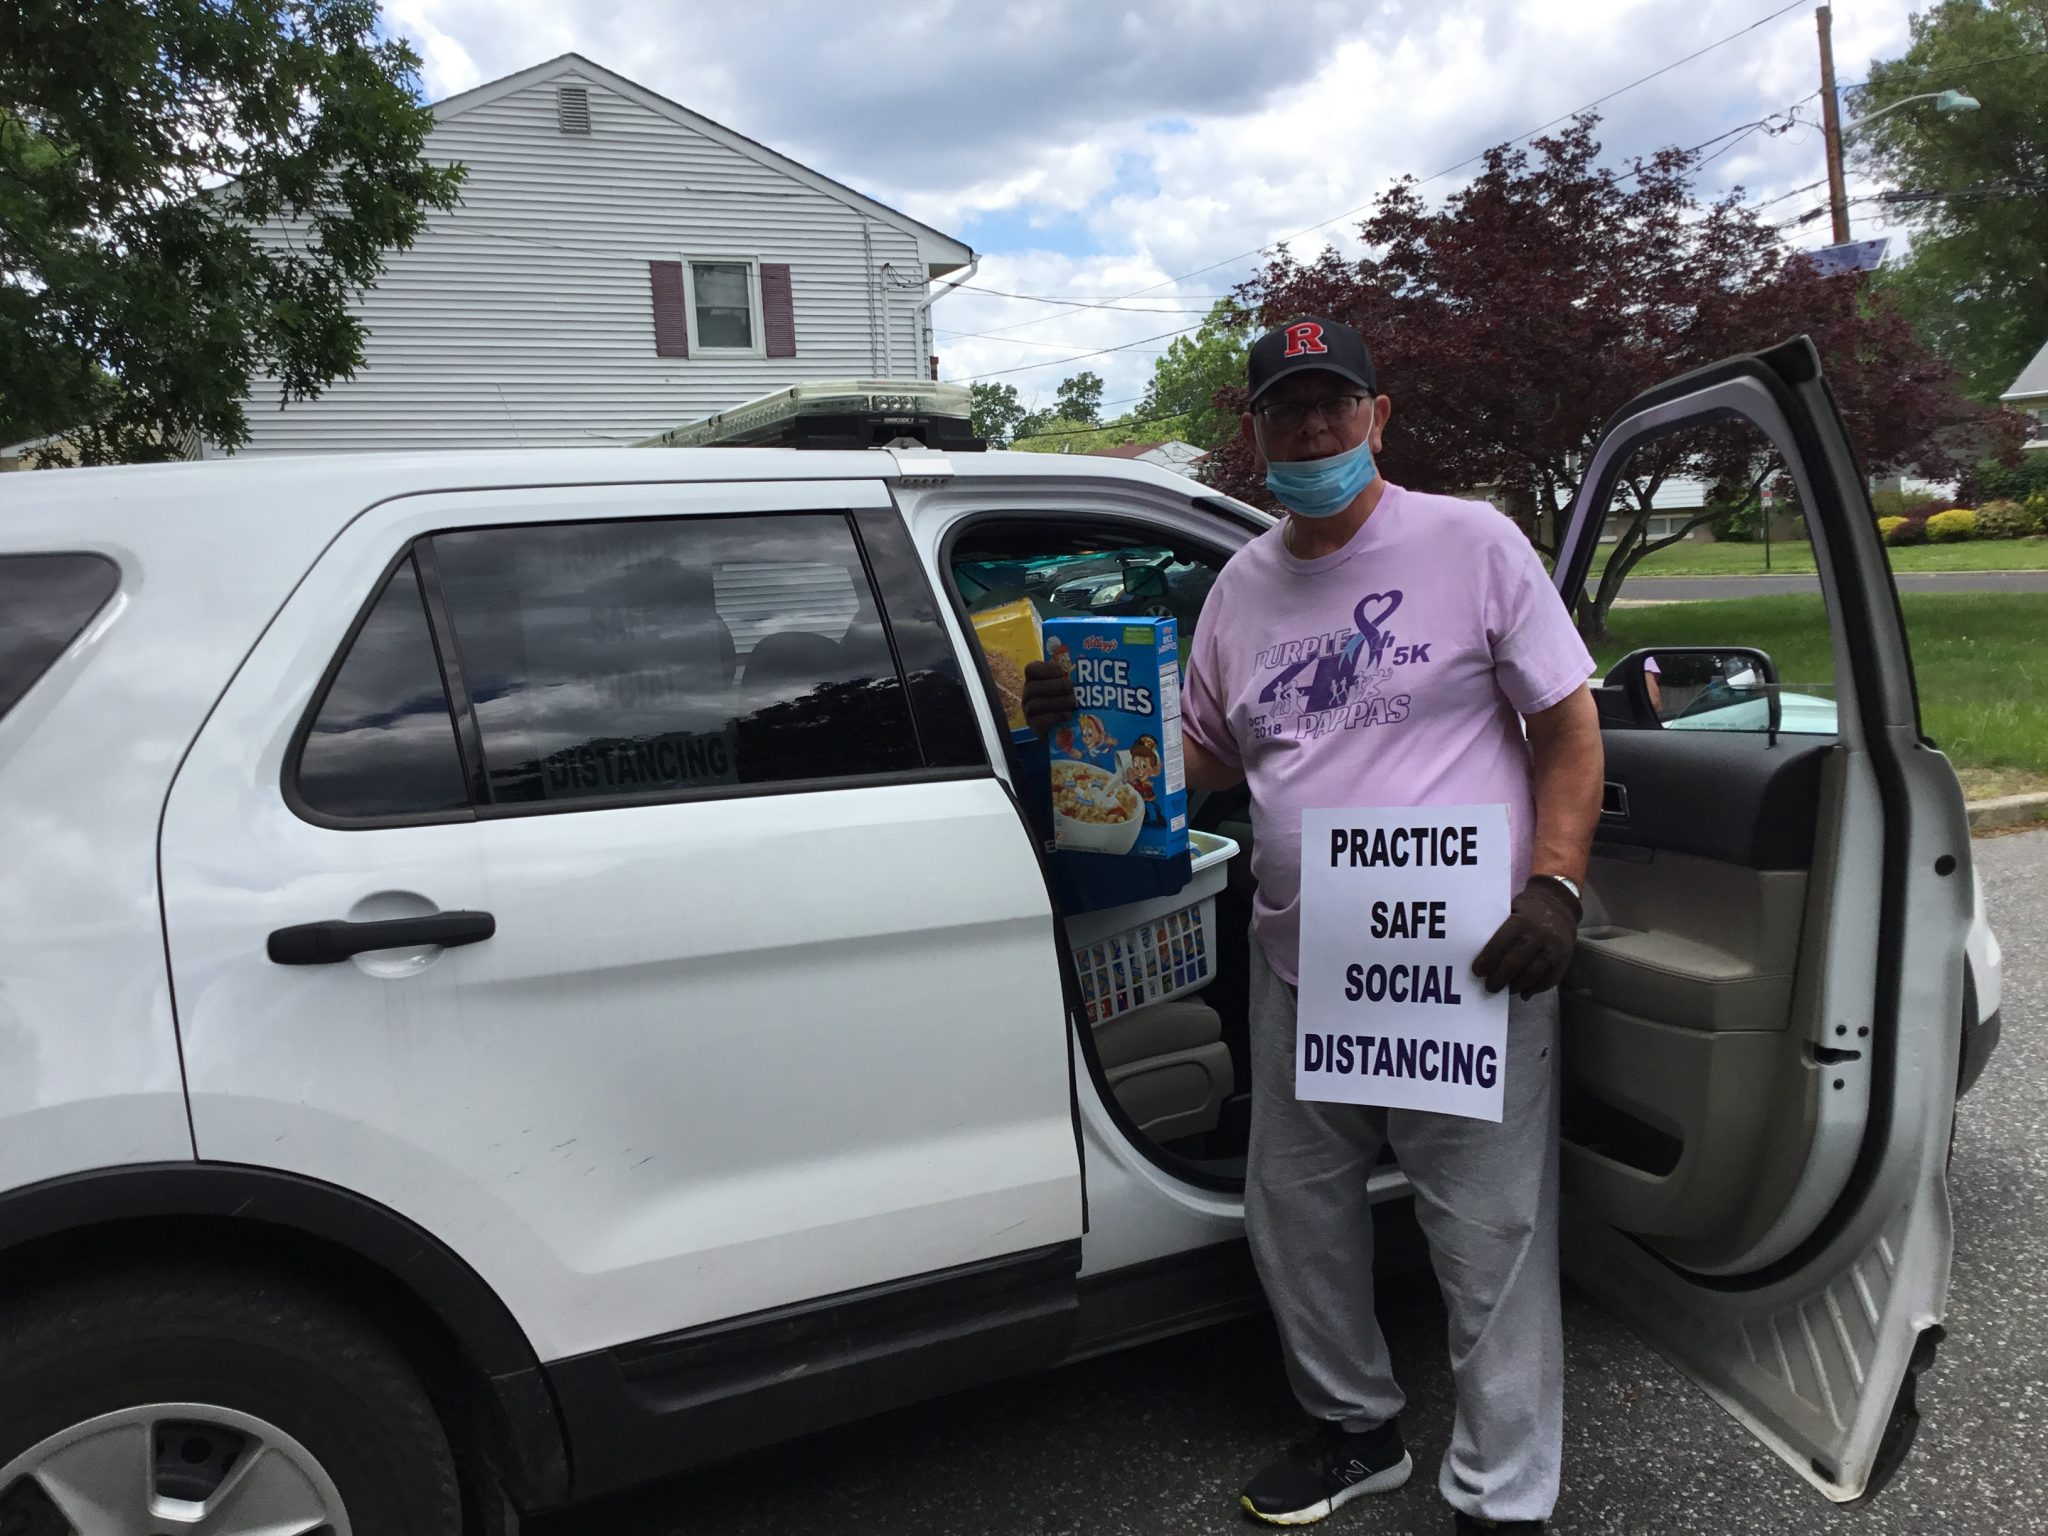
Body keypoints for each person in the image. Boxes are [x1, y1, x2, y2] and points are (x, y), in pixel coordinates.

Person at [1023, 316, 1603, 1535]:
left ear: (1376, 418)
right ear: (1255, 434)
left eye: (1333, 404)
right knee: (1297, 1213)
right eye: (1285, 409)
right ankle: (1354, 1428)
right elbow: (1202, 761)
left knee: (1486, 1229)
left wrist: (1553, 884)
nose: (1310, 428)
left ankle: (1503, 1494)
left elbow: (1564, 725)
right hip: (1304, 957)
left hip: (1466, 957)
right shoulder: (1240, 586)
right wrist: (1082, 730)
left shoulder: (1469, 542)